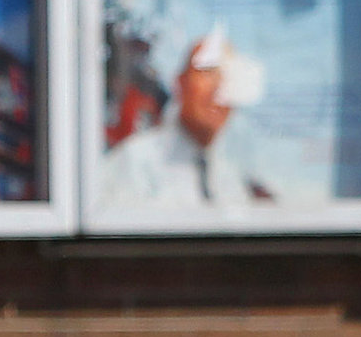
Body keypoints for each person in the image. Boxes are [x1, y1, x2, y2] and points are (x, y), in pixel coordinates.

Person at [102, 31, 272, 208]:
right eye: (208, 72)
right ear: (180, 83)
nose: (219, 88)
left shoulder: (235, 176)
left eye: (228, 77)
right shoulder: (135, 162)